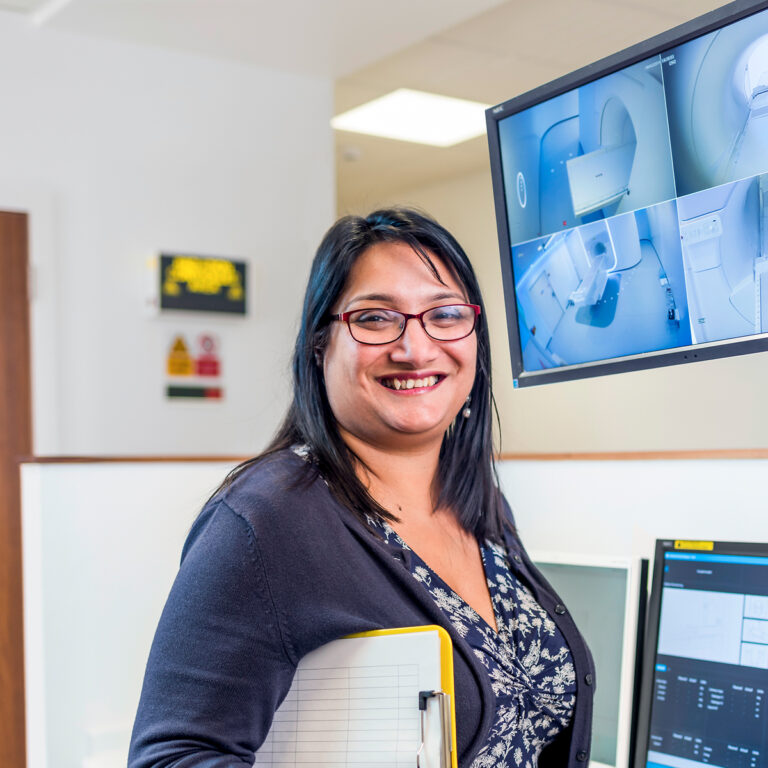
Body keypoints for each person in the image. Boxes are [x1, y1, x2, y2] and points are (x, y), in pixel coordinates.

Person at [128, 208, 594, 768]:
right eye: (375, 319)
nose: (416, 349)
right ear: (320, 344)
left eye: (444, 315)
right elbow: (172, 757)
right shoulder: (268, 518)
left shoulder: (478, 503)